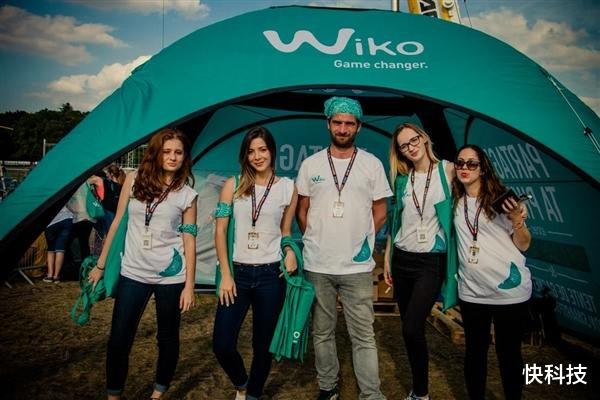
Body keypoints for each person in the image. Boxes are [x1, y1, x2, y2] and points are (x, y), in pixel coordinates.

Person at [89, 128, 198, 400]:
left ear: (185, 157)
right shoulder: (134, 179)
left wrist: (189, 285)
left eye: (178, 152)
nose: (172, 157)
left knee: (167, 337)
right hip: (133, 272)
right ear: (156, 153)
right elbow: (117, 223)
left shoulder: (187, 194)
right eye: (167, 151)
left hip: (171, 277)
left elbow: (189, 240)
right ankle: (114, 395)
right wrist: (101, 265)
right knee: (119, 338)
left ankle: (158, 393)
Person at [296, 96, 391, 400]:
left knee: (363, 335)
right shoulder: (311, 165)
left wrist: (362, 240)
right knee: (322, 332)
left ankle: (371, 394)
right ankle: (328, 387)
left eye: (349, 123)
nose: (342, 128)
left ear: (358, 127)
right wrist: (316, 238)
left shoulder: (371, 164)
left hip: (357, 268)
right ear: (328, 124)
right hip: (318, 265)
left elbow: (381, 210)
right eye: (337, 122)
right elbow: (302, 211)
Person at [213, 126, 298, 400]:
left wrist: (290, 250)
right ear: (245, 155)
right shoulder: (233, 185)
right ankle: (241, 384)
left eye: (262, 150)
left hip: (271, 276)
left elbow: (286, 232)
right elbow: (220, 231)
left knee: (263, 346)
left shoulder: (288, 188)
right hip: (237, 274)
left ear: (272, 151)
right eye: (251, 151)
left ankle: (253, 395)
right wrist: (226, 274)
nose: (257, 156)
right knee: (222, 344)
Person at [452, 144, 531, 400]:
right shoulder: (454, 202)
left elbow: (524, 244)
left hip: (509, 293)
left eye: (471, 163)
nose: (464, 167)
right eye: (460, 162)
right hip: (472, 292)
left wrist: (517, 218)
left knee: (509, 354)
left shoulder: (502, 201)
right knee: (474, 353)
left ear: (483, 169)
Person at [383, 122, 456, 400]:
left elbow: (479, 186)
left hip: (431, 262)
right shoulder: (403, 179)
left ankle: (422, 393)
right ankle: (419, 392)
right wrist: (388, 257)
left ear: (424, 138)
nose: (410, 147)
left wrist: (516, 210)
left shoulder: (447, 171)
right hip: (402, 258)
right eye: (404, 146)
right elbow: (395, 223)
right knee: (410, 330)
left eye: (413, 140)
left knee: (412, 327)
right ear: (400, 152)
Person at [43, 205, 74, 283]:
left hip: (52, 222)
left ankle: (50, 275)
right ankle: (56, 276)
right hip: (67, 218)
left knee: (51, 249)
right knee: (60, 249)